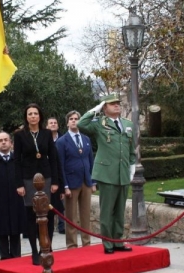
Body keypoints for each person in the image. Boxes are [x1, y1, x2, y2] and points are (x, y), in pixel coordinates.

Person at [78, 94, 135, 254]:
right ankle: (108, 244)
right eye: (112, 104)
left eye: (118, 103)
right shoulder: (99, 124)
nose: (117, 105)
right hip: (107, 173)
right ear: (105, 107)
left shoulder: (128, 124)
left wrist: (132, 166)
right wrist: (93, 111)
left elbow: (132, 149)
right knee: (107, 211)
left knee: (119, 211)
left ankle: (118, 241)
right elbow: (81, 124)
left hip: (122, 173)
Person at [13, 104, 62, 264]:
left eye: (35, 113)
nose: (33, 116)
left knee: (48, 214)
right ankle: (34, 250)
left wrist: (55, 181)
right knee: (31, 215)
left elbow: (53, 158)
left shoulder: (47, 133)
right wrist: (19, 184)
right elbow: (17, 161)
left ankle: (46, 248)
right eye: (30, 114)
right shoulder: (20, 135)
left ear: (40, 116)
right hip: (28, 179)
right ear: (26, 117)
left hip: (46, 177)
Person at [56, 110, 96, 248]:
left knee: (85, 215)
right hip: (71, 184)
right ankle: (72, 245)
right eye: (71, 119)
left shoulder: (86, 139)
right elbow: (60, 165)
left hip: (85, 181)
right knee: (71, 217)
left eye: (77, 119)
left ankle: (87, 243)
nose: (74, 121)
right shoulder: (62, 142)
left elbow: (91, 161)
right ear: (67, 122)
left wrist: (93, 182)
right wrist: (64, 186)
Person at [46, 116, 67, 236]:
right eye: (51, 123)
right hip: (47, 175)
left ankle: (61, 226)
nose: (53, 124)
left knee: (60, 200)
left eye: (55, 122)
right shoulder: (44, 140)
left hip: (60, 173)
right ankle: (49, 226)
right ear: (47, 126)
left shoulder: (63, 139)